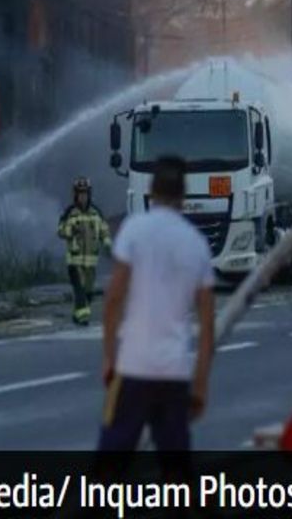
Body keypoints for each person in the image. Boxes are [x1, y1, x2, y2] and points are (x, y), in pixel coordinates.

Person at [99, 156, 215, 452]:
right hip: (173, 373)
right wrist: (200, 385)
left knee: (109, 468)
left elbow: (113, 299)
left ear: (151, 191)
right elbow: (207, 326)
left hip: (133, 369)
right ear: (184, 196)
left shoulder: (134, 230)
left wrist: (110, 358)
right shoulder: (197, 244)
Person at [57, 177, 111, 326]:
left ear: (89, 194)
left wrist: (107, 244)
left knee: (88, 291)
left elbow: (104, 231)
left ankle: (78, 314)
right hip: (74, 260)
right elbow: (60, 230)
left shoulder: (96, 213)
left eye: (85, 193)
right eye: (80, 194)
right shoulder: (70, 212)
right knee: (79, 289)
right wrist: (71, 230)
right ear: (76, 195)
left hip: (91, 262)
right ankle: (83, 317)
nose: (83, 197)